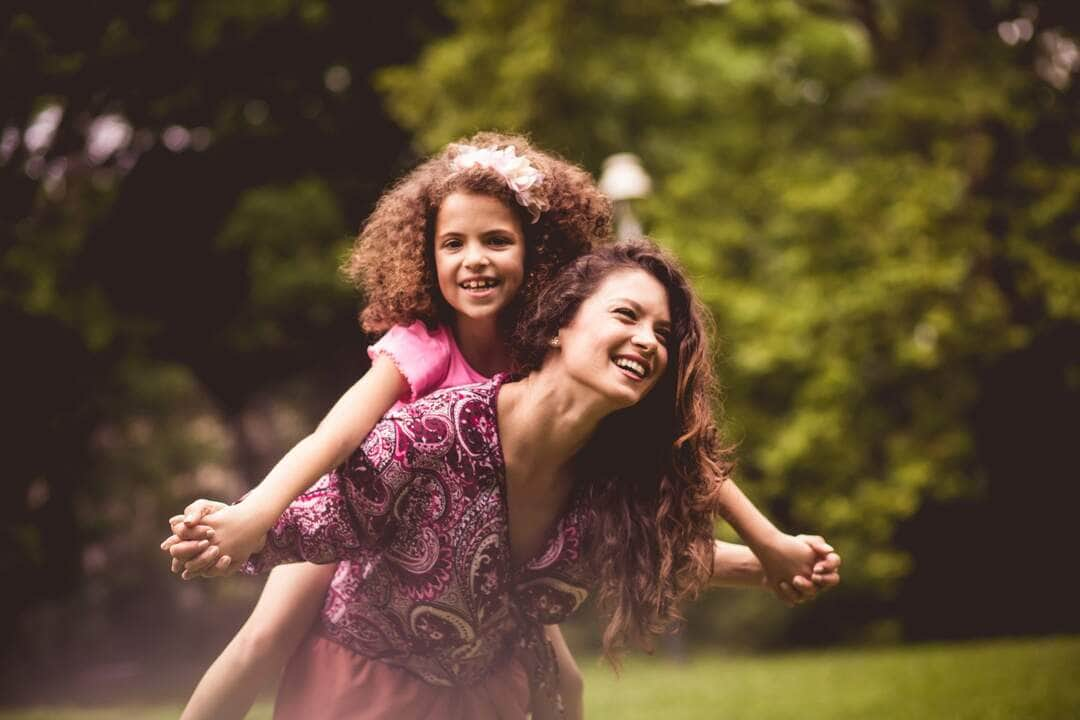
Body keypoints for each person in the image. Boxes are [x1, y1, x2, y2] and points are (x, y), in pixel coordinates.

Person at [165, 239, 841, 720]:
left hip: (485, 696)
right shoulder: (435, 429)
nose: (649, 342)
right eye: (628, 316)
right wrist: (233, 528)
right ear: (557, 327)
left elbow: (648, 546)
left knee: (563, 692)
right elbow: (319, 510)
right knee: (261, 637)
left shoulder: (608, 480)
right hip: (365, 691)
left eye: (664, 334)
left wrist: (767, 560)